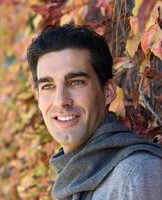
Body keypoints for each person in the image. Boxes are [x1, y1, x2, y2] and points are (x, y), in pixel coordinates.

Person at [26, 24, 162, 200]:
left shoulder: (138, 174)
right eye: (48, 86)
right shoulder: (72, 179)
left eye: (76, 82)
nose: (61, 101)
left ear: (108, 92)